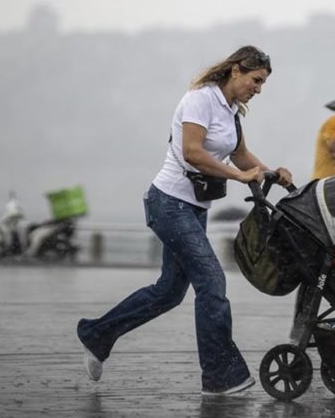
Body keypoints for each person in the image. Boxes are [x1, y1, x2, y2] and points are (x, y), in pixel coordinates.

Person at [76, 46, 293, 396]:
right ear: (236, 70)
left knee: (169, 292)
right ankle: (220, 376)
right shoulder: (200, 100)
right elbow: (193, 152)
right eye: (256, 80)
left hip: (193, 208)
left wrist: (271, 172)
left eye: (263, 83)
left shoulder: (231, 111)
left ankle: (97, 334)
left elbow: (239, 155)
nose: (259, 89)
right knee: (211, 281)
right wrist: (238, 178)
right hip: (168, 203)